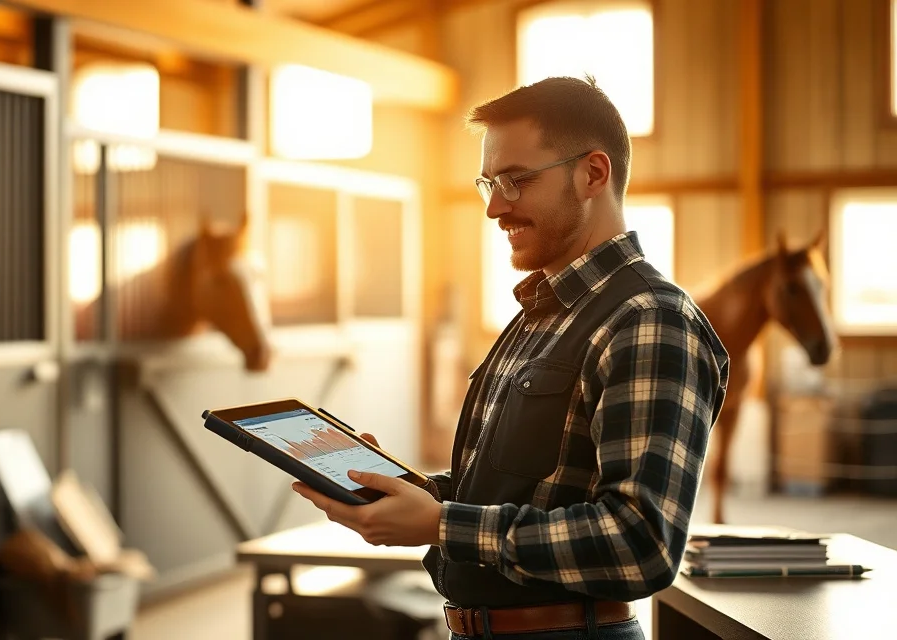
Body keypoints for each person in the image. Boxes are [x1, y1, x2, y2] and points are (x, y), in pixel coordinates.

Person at [292, 76, 730, 639]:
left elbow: (640, 543)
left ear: (593, 173)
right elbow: (520, 491)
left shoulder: (648, 320)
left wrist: (443, 524)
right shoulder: (541, 312)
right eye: (488, 184)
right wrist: (414, 490)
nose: (496, 207)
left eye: (516, 181)